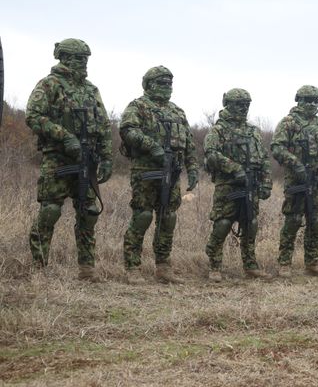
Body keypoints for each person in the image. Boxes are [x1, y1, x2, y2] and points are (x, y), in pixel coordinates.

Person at [25, 38, 113, 281]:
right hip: (58, 160)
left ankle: (87, 268)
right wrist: (64, 136)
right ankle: (39, 267)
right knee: (50, 210)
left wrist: (106, 157)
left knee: (89, 212)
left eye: (84, 58)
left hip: (87, 161)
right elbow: (33, 115)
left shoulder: (91, 89)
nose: (82, 62)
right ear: (63, 58)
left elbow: (104, 126)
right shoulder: (50, 84)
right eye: (76, 58)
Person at [119, 65, 198, 284]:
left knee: (168, 217)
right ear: (149, 84)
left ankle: (163, 267)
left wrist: (192, 169)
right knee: (142, 216)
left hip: (171, 172)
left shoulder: (177, 111)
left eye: (169, 83)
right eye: (162, 83)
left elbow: (189, 144)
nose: (167, 87)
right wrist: (151, 146)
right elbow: (127, 130)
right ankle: (132, 267)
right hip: (146, 171)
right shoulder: (138, 106)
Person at [203, 88, 273, 281]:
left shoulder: (253, 132)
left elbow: (264, 159)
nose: (243, 108)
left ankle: (250, 265)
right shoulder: (218, 130)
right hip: (228, 185)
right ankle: (215, 266)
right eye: (239, 104)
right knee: (223, 224)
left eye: (246, 105)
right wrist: (235, 168)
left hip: (251, 185)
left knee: (250, 223)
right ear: (228, 104)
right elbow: (211, 154)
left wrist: (267, 183)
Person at [271, 85, 318, 276]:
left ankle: (312, 263)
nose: (311, 104)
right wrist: (296, 164)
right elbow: (277, 148)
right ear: (298, 100)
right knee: (293, 220)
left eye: (315, 100)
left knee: (316, 221)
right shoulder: (288, 123)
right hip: (297, 181)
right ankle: (284, 263)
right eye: (307, 99)